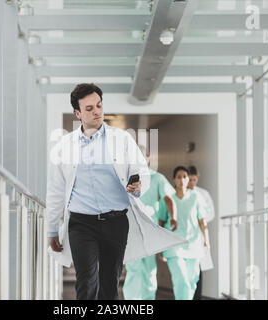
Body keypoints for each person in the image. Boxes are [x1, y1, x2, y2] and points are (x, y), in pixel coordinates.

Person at [45, 83, 185, 300]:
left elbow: (141, 171)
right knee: (87, 280)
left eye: (99, 105)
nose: (97, 111)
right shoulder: (65, 146)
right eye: (89, 108)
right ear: (78, 113)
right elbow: (55, 190)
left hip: (116, 221)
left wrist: (138, 186)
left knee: (109, 281)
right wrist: (52, 230)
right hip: (81, 223)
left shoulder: (122, 139)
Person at [122, 148, 177, 300]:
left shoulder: (157, 178)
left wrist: (173, 217)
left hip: (150, 229)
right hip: (131, 229)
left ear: (147, 157)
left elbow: (169, 198)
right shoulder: (125, 177)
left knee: (150, 269)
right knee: (134, 267)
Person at [157, 166, 210, 300]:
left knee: (192, 281)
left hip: (194, 245)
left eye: (185, 176)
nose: (182, 179)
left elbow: (202, 221)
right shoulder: (168, 199)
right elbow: (161, 223)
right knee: (182, 281)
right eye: (179, 177)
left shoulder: (196, 197)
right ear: (174, 180)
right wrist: (159, 247)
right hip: (174, 246)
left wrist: (206, 240)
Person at [188, 165, 215, 300]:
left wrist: (199, 219)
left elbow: (211, 213)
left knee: (198, 270)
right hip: (186, 236)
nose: (192, 183)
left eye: (194, 180)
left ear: (197, 178)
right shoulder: (180, 193)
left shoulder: (203, 194)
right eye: (190, 179)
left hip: (198, 234)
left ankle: (196, 297)